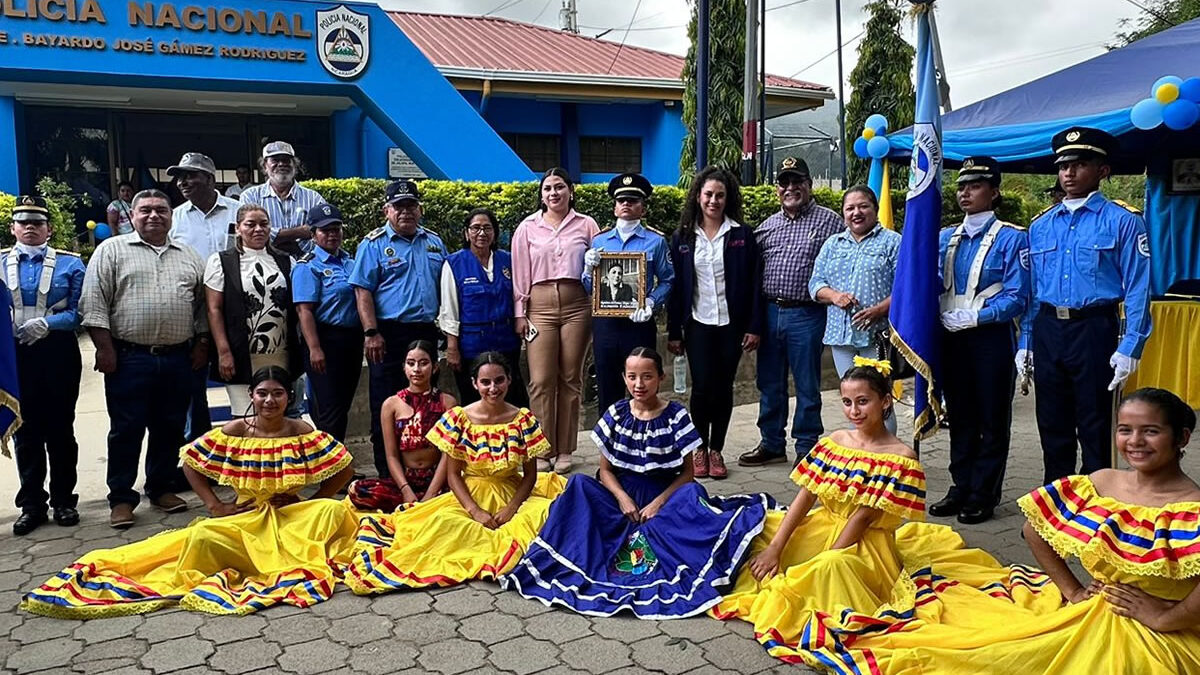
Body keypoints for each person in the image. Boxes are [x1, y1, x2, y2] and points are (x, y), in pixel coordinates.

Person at [768, 388, 1199, 673]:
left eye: (1151, 431)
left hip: (1169, 635)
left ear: (1181, 437)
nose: (1135, 441)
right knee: (990, 657)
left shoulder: (1193, 507)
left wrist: (1164, 615)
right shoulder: (1102, 481)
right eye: (1126, 430)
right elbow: (1034, 531)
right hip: (1095, 611)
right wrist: (1070, 589)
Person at [21, 367, 359, 618]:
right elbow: (190, 462)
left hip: (290, 512)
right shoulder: (237, 430)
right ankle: (250, 555)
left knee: (333, 511)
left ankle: (283, 549)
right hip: (246, 514)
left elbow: (345, 465)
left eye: (278, 393)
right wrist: (216, 505)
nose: (270, 400)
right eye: (262, 393)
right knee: (203, 537)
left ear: (289, 397)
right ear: (252, 395)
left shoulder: (301, 430)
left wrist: (317, 497)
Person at [501, 347, 771, 618]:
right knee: (578, 486)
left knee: (692, 493)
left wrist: (658, 503)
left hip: (664, 494)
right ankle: (578, 558)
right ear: (624, 378)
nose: (639, 384)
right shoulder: (616, 414)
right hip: (621, 493)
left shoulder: (676, 415)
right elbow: (605, 471)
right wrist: (622, 498)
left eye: (647, 377)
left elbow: (687, 474)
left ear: (661, 378)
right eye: (632, 377)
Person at [345, 352, 566, 592]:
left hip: (513, 492)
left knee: (546, 515)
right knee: (444, 525)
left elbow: (530, 476)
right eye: (485, 382)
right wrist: (475, 511)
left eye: (499, 380)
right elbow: (453, 476)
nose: (493, 388)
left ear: (509, 380)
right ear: (474, 383)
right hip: (468, 495)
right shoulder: (459, 418)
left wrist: (512, 508)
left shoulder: (523, 418)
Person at [1020, 127, 1152, 483]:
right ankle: (1056, 503)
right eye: (1063, 165)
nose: (1069, 173)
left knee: (1095, 422)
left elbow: (1139, 286)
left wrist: (1131, 345)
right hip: (1049, 329)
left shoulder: (1124, 220)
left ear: (1102, 171)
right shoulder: (1041, 226)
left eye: (1080, 164)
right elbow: (1033, 291)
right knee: (1051, 422)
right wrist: (1025, 343)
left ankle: (1097, 506)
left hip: (1094, 328)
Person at [80, 189, 209, 529]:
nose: (154, 216)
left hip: (178, 358)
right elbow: (93, 304)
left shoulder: (188, 255)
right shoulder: (111, 251)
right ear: (132, 216)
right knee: (126, 428)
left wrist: (202, 343)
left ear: (171, 216)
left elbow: (201, 308)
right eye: (146, 210)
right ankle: (121, 498)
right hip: (128, 358)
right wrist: (105, 350)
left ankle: (161, 488)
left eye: (161, 210)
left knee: (169, 427)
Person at [929, 157, 1031, 525]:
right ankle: (960, 485)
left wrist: (978, 315)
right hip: (951, 336)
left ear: (994, 191)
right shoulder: (944, 236)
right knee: (960, 415)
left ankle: (984, 492)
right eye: (961, 186)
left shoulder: (1012, 237)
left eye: (974, 185)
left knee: (991, 415)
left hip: (988, 336)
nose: (965, 192)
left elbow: (1019, 294)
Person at [741, 157, 843, 468]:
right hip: (770, 313)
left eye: (797, 181)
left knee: (807, 384)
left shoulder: (831, 222)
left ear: (810, 185)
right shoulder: (766, 227)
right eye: (784, 182)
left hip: (807, 314)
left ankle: (807, 446)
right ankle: (772, 443)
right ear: (777, 190)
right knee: (769, 383)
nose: (791, 187)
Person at [667, 166, 763, 479]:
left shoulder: (742, 235)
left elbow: (753, 284)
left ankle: (716, 450)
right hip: (697, 323)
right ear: (697, 196)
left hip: (732, 325)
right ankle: (698, 448)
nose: (714, 200)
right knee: (701, 387)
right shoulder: (682, 236)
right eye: (708, 194)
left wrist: (753, 326)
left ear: (728, 198)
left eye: (720, 195)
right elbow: (675, 286)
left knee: (723, 388)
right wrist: (673, 330)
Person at [350, 179, 445, 478]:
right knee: (386, 404)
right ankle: (387, 475)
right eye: (399, 206)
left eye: (411, 205)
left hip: (426, 331)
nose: (406, 212)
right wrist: (370, 333)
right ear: (386, 211)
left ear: (420, 209)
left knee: (426, 403)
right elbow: (362, 291)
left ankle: (424, 470)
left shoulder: (434, 242)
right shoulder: (373, 244)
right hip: (387, 334)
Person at [3, 196, 86, 535]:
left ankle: (64, 500)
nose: (31, 228)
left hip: (57, 352)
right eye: (24, 222)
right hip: (15, 354)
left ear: (50, 229)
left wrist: (49, 324)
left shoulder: (71, 264)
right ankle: (31, 504)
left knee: (61, 430)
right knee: (25, 430)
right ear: (13, 228)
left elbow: (81, 310)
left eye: (37, 223)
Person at [511, 169, 599, 473]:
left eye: (559, 187)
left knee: (570, 378)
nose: (553, 193)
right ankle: (542, 448)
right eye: (547, 188)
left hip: (577, 303)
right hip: (540, 304)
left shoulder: (586, 225)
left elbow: (598, 269)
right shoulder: (527, 228)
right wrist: (520, 313)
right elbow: (520, 273)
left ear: (570, 190)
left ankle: (565, 449)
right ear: (542, 193)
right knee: (540, 380)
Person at [809, 185, 901, 434]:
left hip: (877, 336)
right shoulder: (833, 244)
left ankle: (885, 460)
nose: (856, 213)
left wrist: (879, 310)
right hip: (841, 337)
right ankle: (861, 457)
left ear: (875, 208)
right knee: (853, 400)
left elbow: (907, 287)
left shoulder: (893, 242)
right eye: (850, 208)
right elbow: (815, 284)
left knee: (876, 400)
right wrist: (834, 296)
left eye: (863, 206)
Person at [582, 172, 674, 417]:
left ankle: (642, 442)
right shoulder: (599, 241)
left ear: (643, 208)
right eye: (621, 200)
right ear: (614, 207)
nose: (626, 204)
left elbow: (668, 279)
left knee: (642, 386)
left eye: (633, 200)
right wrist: (587, 268)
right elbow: (589, 287)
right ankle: (609, 448)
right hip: (606, 325)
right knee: (607, 385)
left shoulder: (655, 242)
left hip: (639, 325)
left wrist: (652, 302)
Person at [167, 152, 240, 442]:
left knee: (240, 384)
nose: (183, 182)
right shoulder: (175, 218)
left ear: (209, 178)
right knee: (192, 389)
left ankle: (243, 452)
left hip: (236, 312)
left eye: (190, 175)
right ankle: (198, 458)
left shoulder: (239, 211)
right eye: (180, 177)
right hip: (193, 312)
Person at [204, 204, 301, 417]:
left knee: (282, 419)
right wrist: (224, 351)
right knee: (247, 420)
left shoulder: (286, 261)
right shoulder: (221, 262)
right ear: (238, 228)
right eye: (250, 224)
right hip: (241, 355)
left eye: (264, 224)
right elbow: (214, 309)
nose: (258, 229)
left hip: (281, 354)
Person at [347, 340, 456, 511]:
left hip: (439, 480)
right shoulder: (391, 405)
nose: (416, 369)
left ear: (435, 367)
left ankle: (427, 503)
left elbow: (448, 455)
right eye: (411, 363)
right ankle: (415, 503)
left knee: (465, 493)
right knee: (358, 490)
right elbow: (391, 455)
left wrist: (431, 493)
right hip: (405, 480)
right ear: (404, 367)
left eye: (423, 363)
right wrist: (405, 489)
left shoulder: (447, 403)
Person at [439, 208, 528, 407]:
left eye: (487, 228)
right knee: (474, 402)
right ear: (466, 233)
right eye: (476, 228)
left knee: (515, 401)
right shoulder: (454, 263)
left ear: (495, 232)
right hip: (472, 345)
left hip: (506, 342)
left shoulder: (508, 260)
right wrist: (452, 347)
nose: (482, 233)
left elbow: (520, 296)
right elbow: (449, 309)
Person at [292, 203, 362, 440]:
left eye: (336, 229)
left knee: (342, 405)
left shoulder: (350, 262)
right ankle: (330, 469)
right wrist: (314, 348)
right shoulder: (308, 265)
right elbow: (304, 311)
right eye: (325, 230)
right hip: (324, 340)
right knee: (328, 408)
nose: (332, 234)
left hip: (350, 340)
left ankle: (338, 463)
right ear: (313, 235)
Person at [238, 141, 327, 258]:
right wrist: (300, 232)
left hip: (308, 266)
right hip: (264, 265)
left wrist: (274, 236)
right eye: (275, 160)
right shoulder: (250, 196)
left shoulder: (314, 198)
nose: (281, 164)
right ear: (265, 165)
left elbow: (324, 232)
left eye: (286, 160)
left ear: (295, 165)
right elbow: (248, 234)